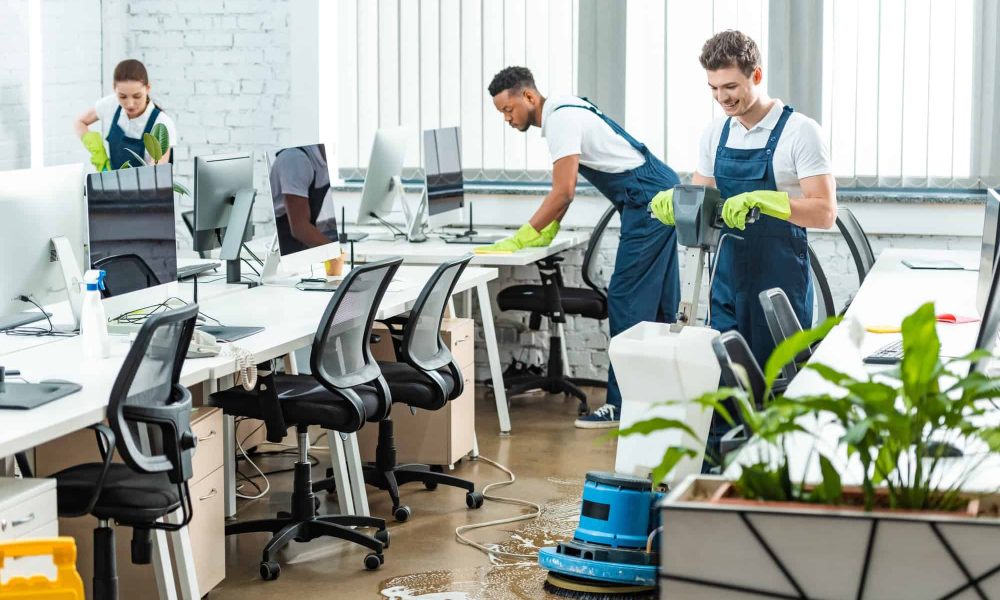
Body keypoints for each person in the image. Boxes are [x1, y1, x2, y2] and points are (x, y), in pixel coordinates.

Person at [482, 67, 682, 429]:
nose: (507, 119)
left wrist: (524, 235)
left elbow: (564, 190)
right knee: (661, 303)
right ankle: (666, 399)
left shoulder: (559, 121)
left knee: (627, 298)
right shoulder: (567, 108)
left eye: (508, 109)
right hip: (658, 191)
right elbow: (567, 190)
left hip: (649, 201)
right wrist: (548, 228)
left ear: (528, 97)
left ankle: (621, 406)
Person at [650, 30, 836, 370]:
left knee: (777, 384)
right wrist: (679, 203)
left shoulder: (801, 132)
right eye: (714, 88)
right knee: (726, 385)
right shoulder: (715, 134)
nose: (722, 97)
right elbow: (703, 203)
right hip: (725, 278)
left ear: (757, 75)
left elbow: (824, 212)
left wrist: (769, 202)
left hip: (778, 285)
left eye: (730, 87)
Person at [73, 59, 178, 172]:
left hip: (147, 188)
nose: (130, 104)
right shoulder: (111, 104)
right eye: (122, 97)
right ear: (114, 89)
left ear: (147, 88)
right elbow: (80, 122)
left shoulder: (161, 125)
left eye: (137, 96)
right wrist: (99, 154)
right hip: (115, 185)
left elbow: (157, 176)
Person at [268, 143, 338, 255]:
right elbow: (300, 228)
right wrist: (336, 254)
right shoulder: (296, 160)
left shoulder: (324, 160)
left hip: (302, 240)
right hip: (285, 243)